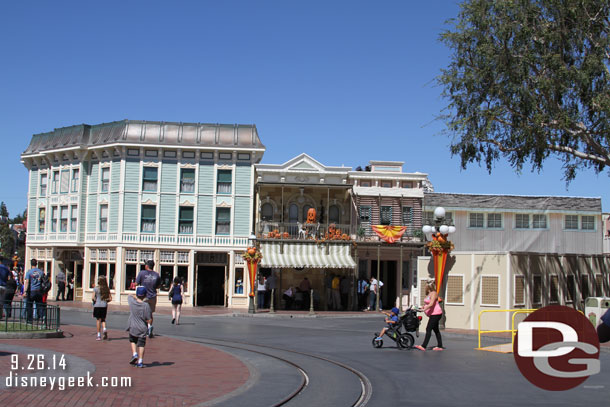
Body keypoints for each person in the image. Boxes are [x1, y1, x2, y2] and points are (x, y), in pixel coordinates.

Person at [414, 282, 444, 351]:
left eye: (426, 286)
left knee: (428, 329)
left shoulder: (434, 293)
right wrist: (421, 308)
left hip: (436, 314)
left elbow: (431, 304)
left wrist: (424, 309)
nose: (425, 287)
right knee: (436, 330)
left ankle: (423, 346)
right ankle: (440, 346)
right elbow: (426, 304)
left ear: (429, 287)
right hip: (432, 314)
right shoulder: (429, 294)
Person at [127, 286, 152, 368]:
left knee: (132, 340)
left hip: (133, 326)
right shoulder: (146, 305)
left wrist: (135, 296)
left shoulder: (132, 302)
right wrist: (150, 326)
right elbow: (149, 318)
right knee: (141, 344)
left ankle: (134, 354)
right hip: (142, 327)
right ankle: (140, 361)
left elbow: (129, 295)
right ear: (144, 295)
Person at [136, 260, 160, 338]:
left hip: (144, 296)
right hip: (153, 296)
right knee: (150, 314)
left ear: (147, 266)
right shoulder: (156, 275)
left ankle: (144, 329)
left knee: (143, 314)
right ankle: (149, 327)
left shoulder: (142, 273)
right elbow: (158, 286)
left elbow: (136, 283)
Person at [93, 275, 112, 340]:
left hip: (97, 305)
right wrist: (106, 301)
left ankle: (98, 335)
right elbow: (110, 298)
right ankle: (104, 329)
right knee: (103, 319)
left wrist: (94, 300)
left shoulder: (96, 288)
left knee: (98, 320)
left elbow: (93, 298)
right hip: (104, 305)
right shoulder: (107, 289)